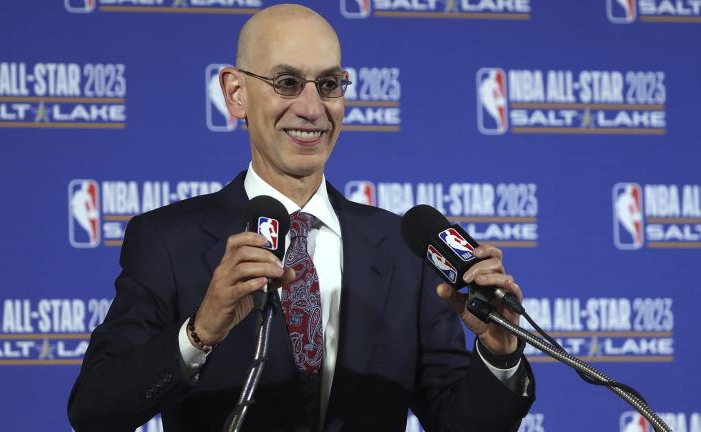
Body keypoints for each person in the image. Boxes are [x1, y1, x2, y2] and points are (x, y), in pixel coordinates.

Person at [67, 4, 535, 431]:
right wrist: (199, 333)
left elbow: (464, 424)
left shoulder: (401, 249)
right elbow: (94, 410)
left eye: (329, 84)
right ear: (235, 93)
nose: (311, 109)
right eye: (286, 83)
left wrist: (499, 352)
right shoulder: (169, 241)